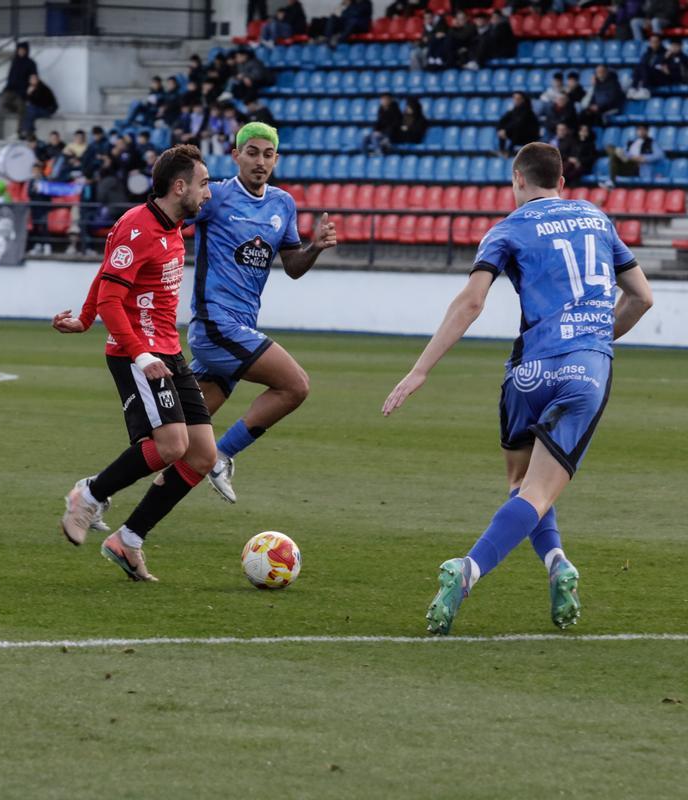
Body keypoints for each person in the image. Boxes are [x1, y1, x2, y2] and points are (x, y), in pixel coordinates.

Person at [382, 142, 654, 635]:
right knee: (540, 491)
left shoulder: (506, 229)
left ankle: (556, 563)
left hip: (527, 372)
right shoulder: (596, 218)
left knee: (521, 483)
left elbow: (471, 302)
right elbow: (642, 297)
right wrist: (595, 335)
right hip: (585, 369)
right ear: (563, 182)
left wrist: (420, 370)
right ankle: (468, 570)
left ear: (517, 179)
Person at [50, 145, 214, 581]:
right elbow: (111, 294)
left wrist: (84, 318)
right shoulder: (138, 228)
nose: (208, 192)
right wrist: (139, 353)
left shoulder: (172, 226)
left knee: (201, 455)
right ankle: (89, 493)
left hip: (169, 351)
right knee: (171, 446)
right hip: (136, 352)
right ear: (179, 187)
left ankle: (129, 540)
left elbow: (106, 274)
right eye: (203, 183)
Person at [184, 123, 337, 503]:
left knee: (178, 439)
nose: (260, 161)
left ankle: (94, 493)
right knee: (295, 385)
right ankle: (222, 454)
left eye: (268, 155)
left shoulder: (282, 204)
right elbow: (170, 218)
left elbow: (293, 266)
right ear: (236, 156)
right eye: (252, 152)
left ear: (277, 159)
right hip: (216, 326)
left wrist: (315, 247)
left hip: (240, 332)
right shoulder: (215, 196)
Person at [3, 42, 37, 114]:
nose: (21, 51)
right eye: (19, 50)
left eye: (23, 50)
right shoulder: (15, 62)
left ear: (26, 51)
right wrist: (8, 85)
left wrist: (30, 90)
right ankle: (17, 111)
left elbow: (34, 77)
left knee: (21, 111)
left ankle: (22, 122)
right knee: (5, 102)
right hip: (12, 88)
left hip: (23, 90)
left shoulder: (30, 63)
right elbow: (11, 75)